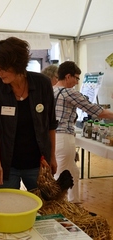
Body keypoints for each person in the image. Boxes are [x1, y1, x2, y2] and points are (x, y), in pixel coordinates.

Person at [0, 37, 58, 191]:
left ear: (16, 64)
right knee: (9, 209)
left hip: (38, 163)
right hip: (7, 165)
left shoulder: (42, 83)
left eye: (2, 68)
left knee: (43, 207)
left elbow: (50, 123)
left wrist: (52, 156)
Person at [53, 61, 113, 203]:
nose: (77, 82)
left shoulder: (51, 90)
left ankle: (74, 202)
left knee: (73, 171)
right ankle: (56, 206)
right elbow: (95, 110)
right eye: (76, 78)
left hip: (52, 136)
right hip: (63, 137)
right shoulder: (69, 92)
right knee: (60, 174)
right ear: (68, 76)